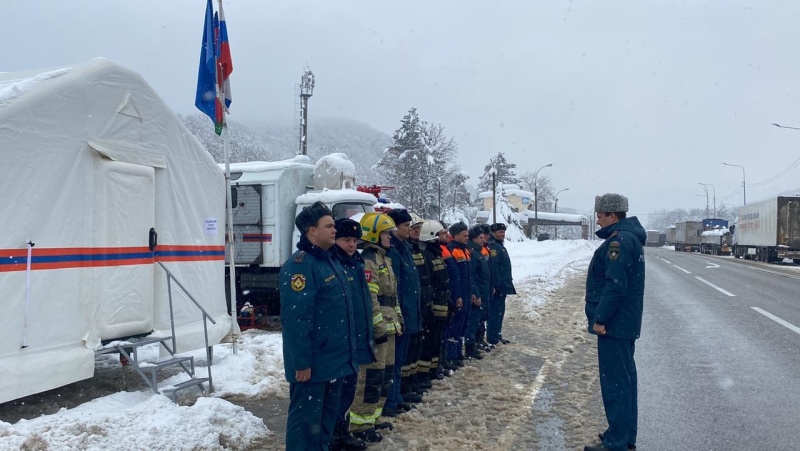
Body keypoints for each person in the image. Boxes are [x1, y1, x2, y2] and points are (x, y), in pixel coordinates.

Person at [280, 201, 358, 451]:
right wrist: (301, 362)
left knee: (323, 425)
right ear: (311, 231)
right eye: (329, 226)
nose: (334, 230)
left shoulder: (330, 261)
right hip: (313, 364)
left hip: (334, 361)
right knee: (305, 426)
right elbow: (296, 319)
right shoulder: (301, 266)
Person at [583, 193, 646, 451]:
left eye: (600, 215)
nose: (597, 220)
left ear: (613, 215)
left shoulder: (618, 242)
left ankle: (616, 442)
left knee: (616, 383)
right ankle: (623, 434)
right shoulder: (630, 238)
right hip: (624, 324)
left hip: (614, 324)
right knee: (626, 380)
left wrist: (601, 319)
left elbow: (615, 286)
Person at [351, 213, 403, 437]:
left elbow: (393, 295)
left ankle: (373, 418)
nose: (390, 237)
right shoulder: (369, 260)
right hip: (380, 328)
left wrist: (398, 318)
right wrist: (378, 326)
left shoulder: (384, 258)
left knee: (384, 375)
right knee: (371, 377)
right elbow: (371, 299)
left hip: (390, 325)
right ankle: (360, 425)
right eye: (386, 233)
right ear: (374, 235)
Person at [330, 218, 377, 451]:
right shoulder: (335, 263)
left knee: (349, 389)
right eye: (346, 239)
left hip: (356, 337)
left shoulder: (356, 263)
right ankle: (333, 436)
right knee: (337, 392)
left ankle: (342, 432)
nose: (351, 244)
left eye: (354, 240)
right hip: (341, 340)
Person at [385, 209, 423, 409]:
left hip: (410, 311)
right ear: (394, 227)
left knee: (401, 359)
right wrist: (399, 314)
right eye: (406, 226)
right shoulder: (393, 251)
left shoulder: (405, 248)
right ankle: (391, 401)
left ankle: (397, 396)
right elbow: (395, 287)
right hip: (401, 313)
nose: (409, 229)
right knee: (394, 360)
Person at [445, 221, 472, 367]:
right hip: (459, 294)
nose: (467, 237)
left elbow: (469, 274)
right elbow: (454, 277)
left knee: (463, 324)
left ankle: (458, 352)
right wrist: (457, 295)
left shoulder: (465, 250)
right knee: (455, 325)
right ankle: (451, 355)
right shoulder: (453, 250)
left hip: (467, 292)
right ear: (455, 236)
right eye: (464, 235)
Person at [487, 223, 516, 345]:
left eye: (503, 232)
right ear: (493, 233)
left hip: (503, 284)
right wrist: (496, 284)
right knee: (495, 312)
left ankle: (497, 334)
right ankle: (493, 336)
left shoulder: (499, 245)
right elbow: (494, 267)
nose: (502, 234)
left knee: (500, 311)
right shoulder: (493, 246)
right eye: (500, 232)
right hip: (498, 286)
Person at [465, 225, 490, 360]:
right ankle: (470, 347)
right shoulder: (473, 253)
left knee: (479, 320)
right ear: (473, 238)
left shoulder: (478, 251)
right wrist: (477, 294)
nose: (483, 239)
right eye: (480, 238)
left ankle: (476, 343)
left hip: (483, 291)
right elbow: (472, 276)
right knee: (473, 322)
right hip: (477, 293)